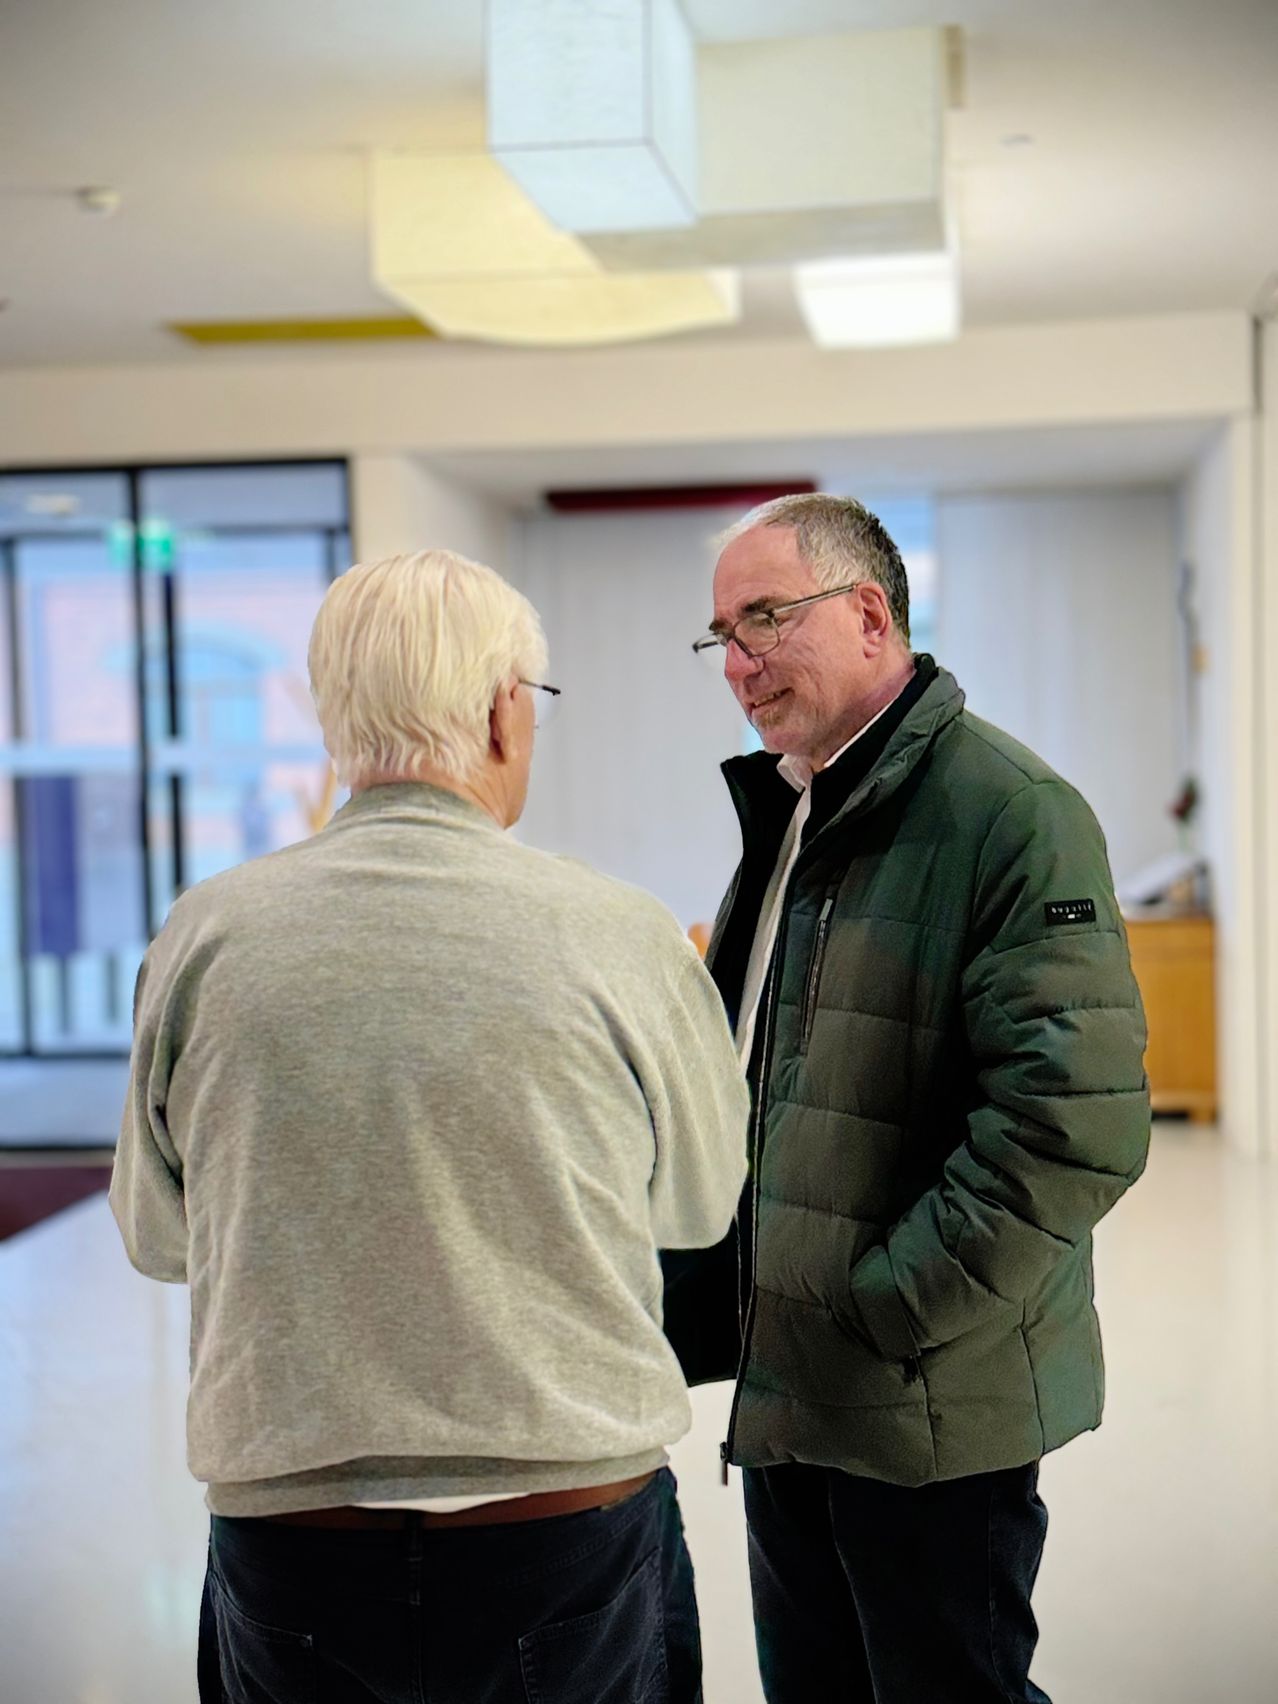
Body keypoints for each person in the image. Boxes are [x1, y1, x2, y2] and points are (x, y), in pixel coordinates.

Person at [110, 548, 749, 1704]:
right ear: (507, 715)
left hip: (294, 1533)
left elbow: (160, 1238)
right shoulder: (620, 933)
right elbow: (701, 1207)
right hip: (567, 1523)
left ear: (333, 718)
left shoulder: (204, 938)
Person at [664, 493, 1150, 1704]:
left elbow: (1073, 1125)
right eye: (719, 633)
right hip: (793, 1385)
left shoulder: (1010, 814)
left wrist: (887, 1308)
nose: (736, 662)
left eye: (763, 619)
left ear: (869, 612)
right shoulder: (793, 808)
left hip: (923, 1394)